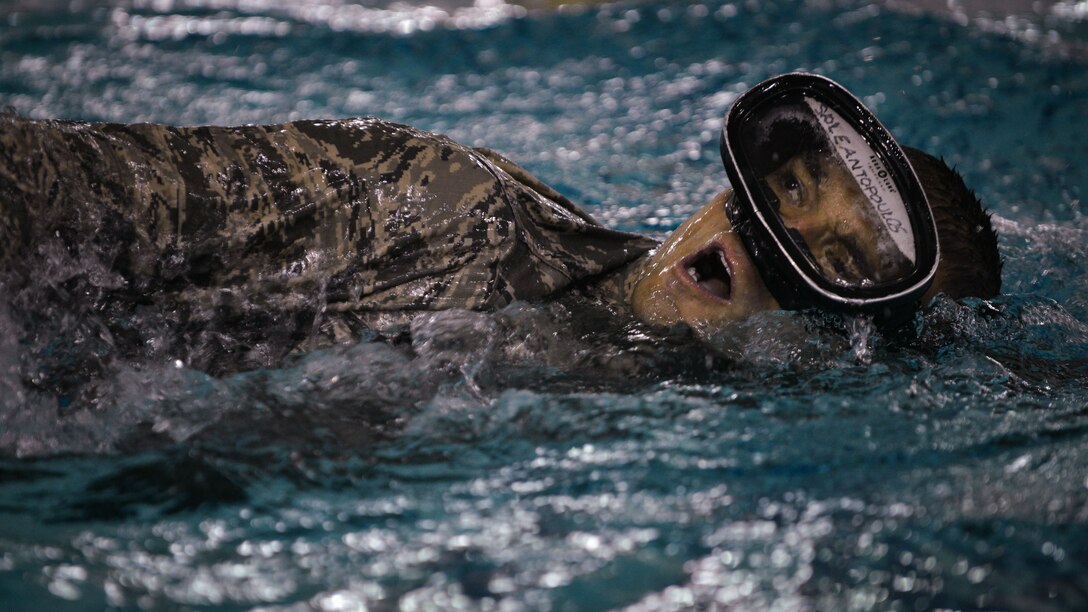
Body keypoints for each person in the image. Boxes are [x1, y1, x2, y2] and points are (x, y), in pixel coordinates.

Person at [0, 74, 1001, 378]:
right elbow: (47, 191)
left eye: (829, 267)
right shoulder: (428, 206)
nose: (752, 246)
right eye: (783, 190)